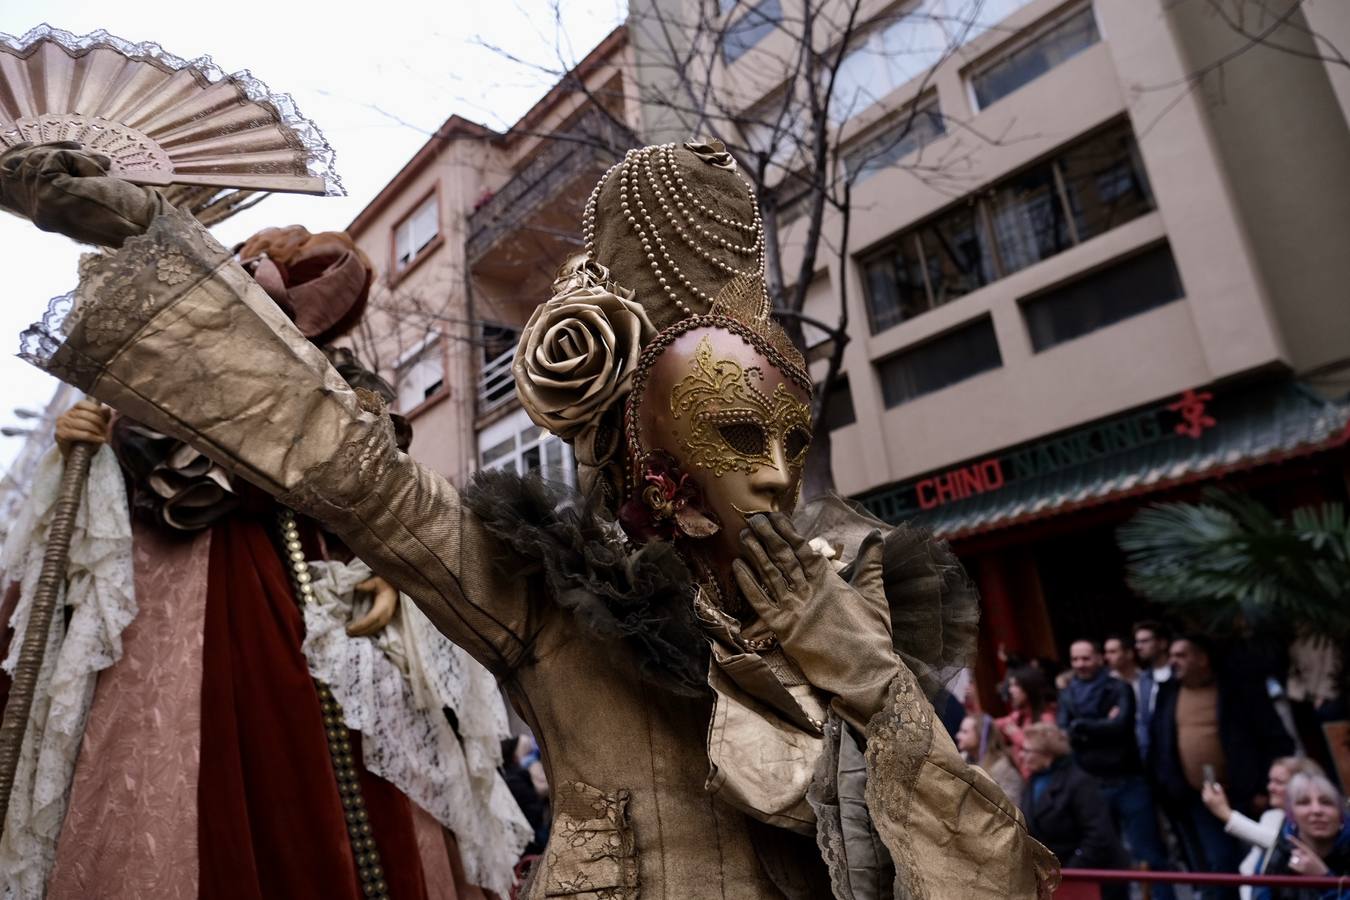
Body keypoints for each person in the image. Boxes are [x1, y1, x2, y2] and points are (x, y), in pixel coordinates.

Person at [1, 140, 1059, 898]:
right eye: (734, 436)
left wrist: (871, 688)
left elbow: (988, 878)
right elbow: (340, 459)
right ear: (645, 444)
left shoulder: (856, 595)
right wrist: (156, 237)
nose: (780, 479)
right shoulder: (552, 597)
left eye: (793, 438)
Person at [0, 225, 530, 900]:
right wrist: (86, 442)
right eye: (255, 268)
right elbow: (103, 516)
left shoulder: (341, 392)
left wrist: (385, 569)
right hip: (171, 586)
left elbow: (375, 492)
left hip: (321, 592)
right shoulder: (164, 372)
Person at [1149, 635, 1295, 900]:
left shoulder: (1238, 688)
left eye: (1181, 655)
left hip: (1249, 795)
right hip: (1199, 797)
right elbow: (1159, 742)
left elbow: (1272, 738)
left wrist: (1264, 787)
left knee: (1260, 861)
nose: (1173, 661)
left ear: (1202, 659)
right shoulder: (1168, 693)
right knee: (1220, 864)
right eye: (1172, 655)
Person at [1058, 639, 1175, 899]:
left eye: (1086, 658)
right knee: (1108, 858)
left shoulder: (1119, 687)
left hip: (1129, 780)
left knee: (1149, 853)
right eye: (1075, 659)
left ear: (1099, 658)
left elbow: (1120, 726)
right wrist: (1098, 725)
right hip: (1092, 785)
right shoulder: (1067, 694)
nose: (1080, 664)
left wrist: (1082, 727)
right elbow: (1065, 732)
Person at [1021, 723, 1127, 898]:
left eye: (1027, 750)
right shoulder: (1034, 781)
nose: (1021, 755)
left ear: (1047, 755)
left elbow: (1099, 836)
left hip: (1092, 879)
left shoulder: (1080, 783)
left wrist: (1068, 872)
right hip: (1059, 879)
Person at [1202, 757, 1326, 899]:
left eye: (1279, 782)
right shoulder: (1271, 816)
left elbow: (1279, 843)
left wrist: (1225, 813)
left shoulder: (1313, 822)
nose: (1270, 787)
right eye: (1270, 781)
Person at [1254, 772, 1350, 900]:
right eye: (1304, 803)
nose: (1316, 810)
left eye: (1326, 802)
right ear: (1291, 815)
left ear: (1341, 814)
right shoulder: (1275, 853)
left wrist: (1324, 879)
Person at [998, 665, 1058, 779]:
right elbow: (991, 725)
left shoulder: (1047, 719)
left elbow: (1048, 754)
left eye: (1016, 685)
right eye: (1010, 685)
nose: (1010, 690)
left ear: (1030, 688)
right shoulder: (1019, 716)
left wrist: (1018, 737)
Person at [957, 713, 1026, 803]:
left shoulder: (1003, 767)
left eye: (964, 732)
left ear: (980, 735)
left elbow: (1013, 804)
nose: (958, 736)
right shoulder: (962, 760)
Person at [1133, 619, 1173, 761]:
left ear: (1162, 643)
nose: (1138, 646)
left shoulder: (1178, 673)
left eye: (1144, 641)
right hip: (1155, 752)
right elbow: (1143, 719)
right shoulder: (1144, 679)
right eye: (1137, 642)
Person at [1104, 634, 1142, 707]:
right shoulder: (1105, 681)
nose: (1106, 657)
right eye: (1106, 652)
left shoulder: (1146, 680)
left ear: (1129, 654)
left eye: (1112, 652)